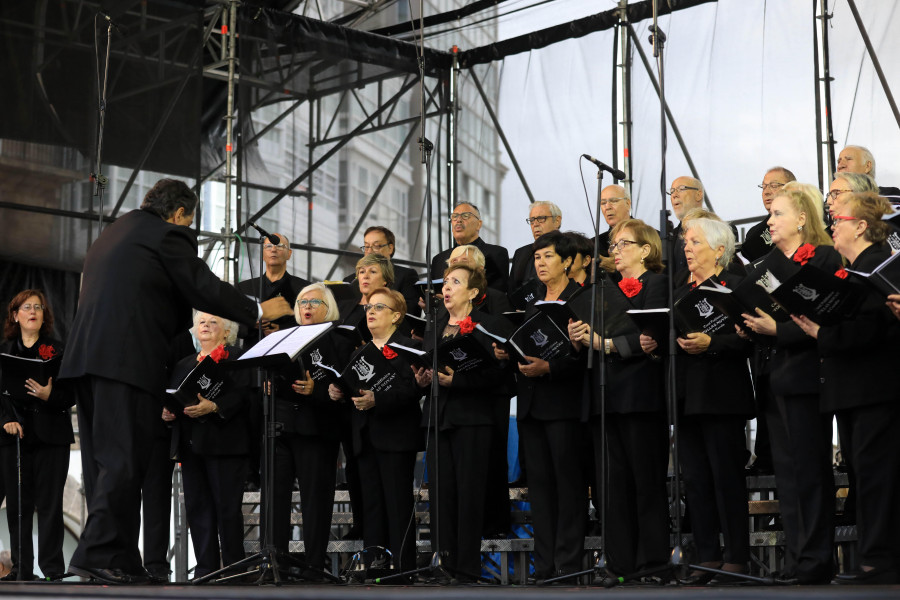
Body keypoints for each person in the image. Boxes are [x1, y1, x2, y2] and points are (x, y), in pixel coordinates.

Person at [58, 178, 287, 585]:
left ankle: (122, 558)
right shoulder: (166, 234)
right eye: (191, 221)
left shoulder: (116, 232)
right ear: (179, 213)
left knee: (106, 462)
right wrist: (255, 310)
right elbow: (201, 285)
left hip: (87, 359)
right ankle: (94, 553)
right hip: (125, 361)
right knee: (123, 459)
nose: (189, 229)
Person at [793, 193, 900, 584]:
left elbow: (872, 330)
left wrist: (823, 333)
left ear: (861, 226)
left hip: (874, 386)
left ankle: (878, 559)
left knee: (875, 475)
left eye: (838, 219)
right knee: (865, 473)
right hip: (854, 388)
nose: (832, 225)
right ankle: (875, 557)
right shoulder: (851, 269)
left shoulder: (877, 266)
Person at [741, 183, 839, 585]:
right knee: (787, 474)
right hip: (774, 377)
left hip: (806, 376)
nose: (770, 221)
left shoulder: (825, 257)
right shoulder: (762, 266)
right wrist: (749, 324)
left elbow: (825, 319)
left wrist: (776, 329)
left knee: (810, 471)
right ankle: (798, 556)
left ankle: (816, 559)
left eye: (778, 214)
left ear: (801, 219)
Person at [567, 220, 670, 578]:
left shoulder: (657, 284)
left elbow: (652, 336)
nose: (615, 250)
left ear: (645, 249)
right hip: (604, 395)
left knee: (647, 481)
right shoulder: (599, 288)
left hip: (641, 395)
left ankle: (653, 562)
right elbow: (593, 343)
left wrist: (604, 343)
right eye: (613, 244)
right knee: (611, 487)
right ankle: (618, 562)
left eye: (624, 243)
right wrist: (579, 336)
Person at [496, 230, 588, 581]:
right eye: (536, 258)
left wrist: (550, 366)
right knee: (541, 490)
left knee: (568, 486)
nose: (541, 263)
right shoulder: (532, 302)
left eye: (548, 256)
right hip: (531, 406)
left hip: (565, 404)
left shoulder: (580, 298)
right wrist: (507, 353)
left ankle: (568, 564)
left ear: (567, 261)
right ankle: (544, 564)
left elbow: (585, 358)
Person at [413, 265, 513, 582]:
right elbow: (430, 369)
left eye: (455, 282)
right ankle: (443, 562)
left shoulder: (490, 325)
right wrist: (423, 379)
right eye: (445, 282)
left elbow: (500, 379)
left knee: (469, 494)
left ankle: (467, 567)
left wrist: (458, 381)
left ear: (473, 292)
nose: (447, 287)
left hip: (473, 419)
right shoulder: (435, 326)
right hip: (438, 416)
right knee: (441, 495)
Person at [674, 217, 755, 585]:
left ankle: (736, 557)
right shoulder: (678, 288)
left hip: (723, 393)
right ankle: (706, 557)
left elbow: (748, 337)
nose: (687, 247)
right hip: (685, 393)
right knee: (695, 480)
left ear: (719, 249)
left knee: (726, 478)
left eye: (695, 242)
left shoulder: (734, 285)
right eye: (685, 242)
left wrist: (713, 343)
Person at [329, 289, 424, 578]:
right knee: (371, 506)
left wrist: (377, 400)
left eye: (379, 307)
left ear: (396, 316)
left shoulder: (409, 347)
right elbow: (354, 388)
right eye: (369, 306)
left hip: (396, 436)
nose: (370, 311)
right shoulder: (359, 351)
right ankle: (375, 566)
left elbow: (414, 389)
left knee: (397, 505)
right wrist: (338, 391)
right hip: (365, 437)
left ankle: (404, 569)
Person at [163, 312, 251, 580]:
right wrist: (169, 413)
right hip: (192, 447)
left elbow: (245, 394)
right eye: (202, 322)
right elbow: (175, 398)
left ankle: (235, 568)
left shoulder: (237, 359)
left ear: (226, 333)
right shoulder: (183, 364)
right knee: (198, 510)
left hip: (226, 443)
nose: (206, 326)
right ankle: (206, 570)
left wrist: (215, 406)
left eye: (214, 323)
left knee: (227, 509)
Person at [270, 283, 347, 579]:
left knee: (316, 500)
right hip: (281, 427)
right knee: (276, 500)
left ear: (328, 308)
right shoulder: (285, 338)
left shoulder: (338, 340)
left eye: (315, 301)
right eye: (302, 301)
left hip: (318, 429)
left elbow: (341, 390)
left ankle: (314, 565)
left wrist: (317, 391)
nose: (307, 306)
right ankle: (277, 563)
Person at [0, 290, 72, 581]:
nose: (33, 311)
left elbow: (73, 392)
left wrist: (50, 394)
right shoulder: (4, 351)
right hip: (13, 437)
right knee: (18, 506)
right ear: (15, 316)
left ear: (44, 316)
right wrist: (5, 419)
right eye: (26, 307)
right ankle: (21, 570)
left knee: (51, 505)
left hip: (51, 436)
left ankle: (53, 570)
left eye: (39, 307)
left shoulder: (58, 350)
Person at [237, 233, 309, 344]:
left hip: (288, 353)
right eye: (268, 246)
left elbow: (312, 323)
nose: (273, 249)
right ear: (262, 253)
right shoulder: (245, 288)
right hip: (252, 355)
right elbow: (233, 327)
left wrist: (282, 329)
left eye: (279, 246)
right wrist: (252, 323)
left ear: (289, 254)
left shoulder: (304, 288)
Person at [430, 202, 509, 293]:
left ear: (478, 224)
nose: (458, 220)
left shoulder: (496, 254)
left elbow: (496, 293)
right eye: (454, 216)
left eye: (465, 216)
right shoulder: (439, 259)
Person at [344, 226, 419, 316]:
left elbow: (410, 314)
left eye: (376, 246)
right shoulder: (349, 280)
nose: (370, 251)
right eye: (367, 246)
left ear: (390, 248)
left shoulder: (406, 275)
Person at [739, 167, 797, 263]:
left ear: (792, 189)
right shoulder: (754, 236)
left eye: (773, 186)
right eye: (764, 187)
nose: (766, 192)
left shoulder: (805, 222)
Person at [509, 201, 562, 303]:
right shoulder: (521, 253)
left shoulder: (569, 248)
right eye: (532, 220)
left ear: (557, 221)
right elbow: (511, 291)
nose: (535, 224)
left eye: (541, 219)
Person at [667, 176, 706, 274]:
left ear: (698, 194)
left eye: (681, 189)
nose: (674, 195)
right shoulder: (669, 237)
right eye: (672, 191)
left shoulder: (719, 230)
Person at [595, 185, 633, 258]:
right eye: (603, 203)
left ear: (628, 204)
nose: (608, 207)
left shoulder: (649, 236)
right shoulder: (595, 245)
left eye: (613, 201)